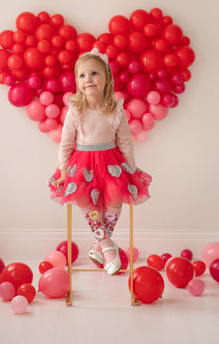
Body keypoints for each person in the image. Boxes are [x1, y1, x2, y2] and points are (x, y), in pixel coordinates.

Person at [49, 48, 151, 275]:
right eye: (82, 75)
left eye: (94, 73)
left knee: (116, 194)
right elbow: (66, 143)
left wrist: (131, 168)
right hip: (82, 162)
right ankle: (107, 247)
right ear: (77, 81)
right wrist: (63, 170)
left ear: (106, 79)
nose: (88, 80)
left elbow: (125, 142)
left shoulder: (115, 110)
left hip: (110, 160)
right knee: (84, 197)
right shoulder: (75, 109)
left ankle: (100, 244)